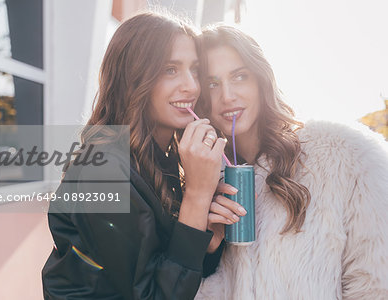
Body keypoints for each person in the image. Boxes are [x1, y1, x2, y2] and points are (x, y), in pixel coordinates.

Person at [42, 12, 246, 300]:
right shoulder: (103, 173)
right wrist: (198, 196)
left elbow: (175, 275)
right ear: (133, 78)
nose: (192, 86)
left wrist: (208, 241)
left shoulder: (162, 160)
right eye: (170, 69)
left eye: (195, 70)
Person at [194, 24, 388, 299]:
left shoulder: (344, 155)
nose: (227, 96)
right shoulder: (208, 180)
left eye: (239, 77)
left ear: (261, 80)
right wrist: (209, 249)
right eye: (212, 83)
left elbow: (376, 285)